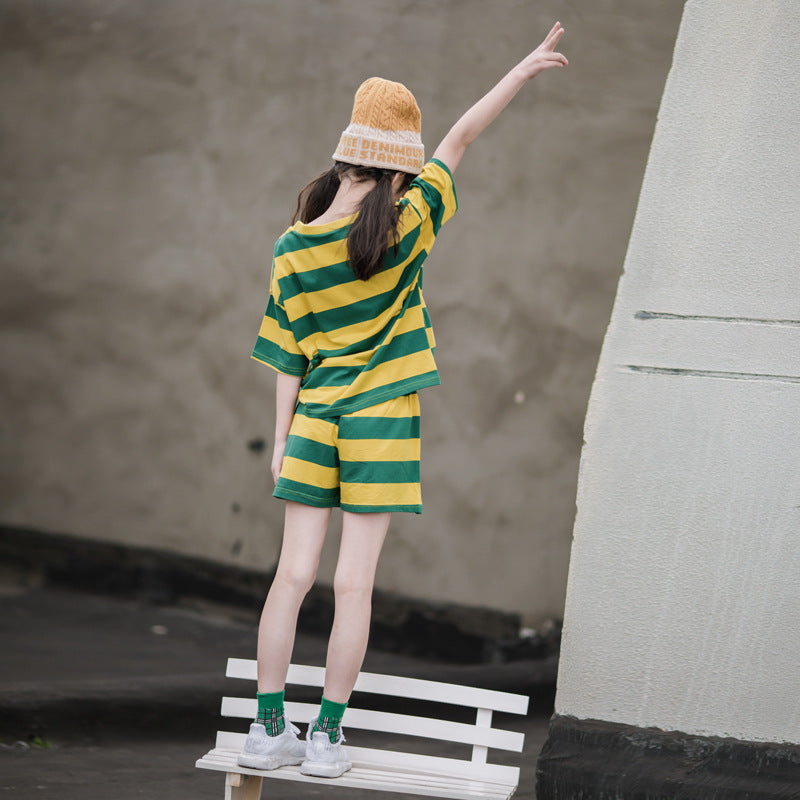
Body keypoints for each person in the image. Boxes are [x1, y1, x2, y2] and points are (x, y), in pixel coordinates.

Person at [237, 22, 568, 779]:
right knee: (354, 585)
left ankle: (267, 729)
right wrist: (519, 72)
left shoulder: (293, 246)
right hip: (382, 417)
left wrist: (281, 438)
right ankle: (325, 739)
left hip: (313, 418)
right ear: (398, 168)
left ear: (346, 153)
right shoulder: (408, 225)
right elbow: (461, 138)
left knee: (291, 577)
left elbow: (285, 353)